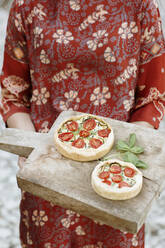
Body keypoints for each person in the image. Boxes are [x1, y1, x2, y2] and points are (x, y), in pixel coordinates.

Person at [0, 0, 165, 247]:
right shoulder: (27, 6)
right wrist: (32, 147)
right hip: (48, 173)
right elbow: (12, 91)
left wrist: (125, 159)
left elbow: (152, 96)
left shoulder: (139, 6)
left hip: (114, 180)